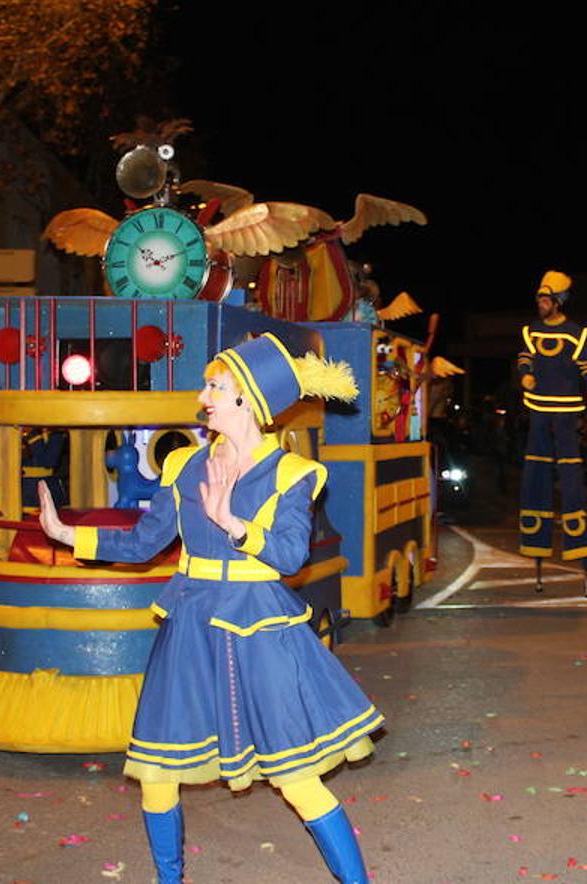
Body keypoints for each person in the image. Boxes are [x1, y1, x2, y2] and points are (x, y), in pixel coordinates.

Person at [37, 333, 380, 884]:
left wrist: (232, 523)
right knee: (156, 772)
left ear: (247, 398)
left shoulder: (291, 474)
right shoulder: (184, 466)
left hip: (259, 624)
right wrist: (68, 535)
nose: (203, 398)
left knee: (295, 778)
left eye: (215, 386)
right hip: (191, 621)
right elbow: (144, 543)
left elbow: (291, 556)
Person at [517, 270, 587, 594]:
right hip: (538, 407)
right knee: (536, 471)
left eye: (545, 299)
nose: (540, 304)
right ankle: (535, 539)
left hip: (566, 409)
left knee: (570, 474)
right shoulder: (531, 331)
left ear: (559, 301)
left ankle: (578, 539)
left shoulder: (575, 333)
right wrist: (525, 373)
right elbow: (524, 357)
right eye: (538, 299)